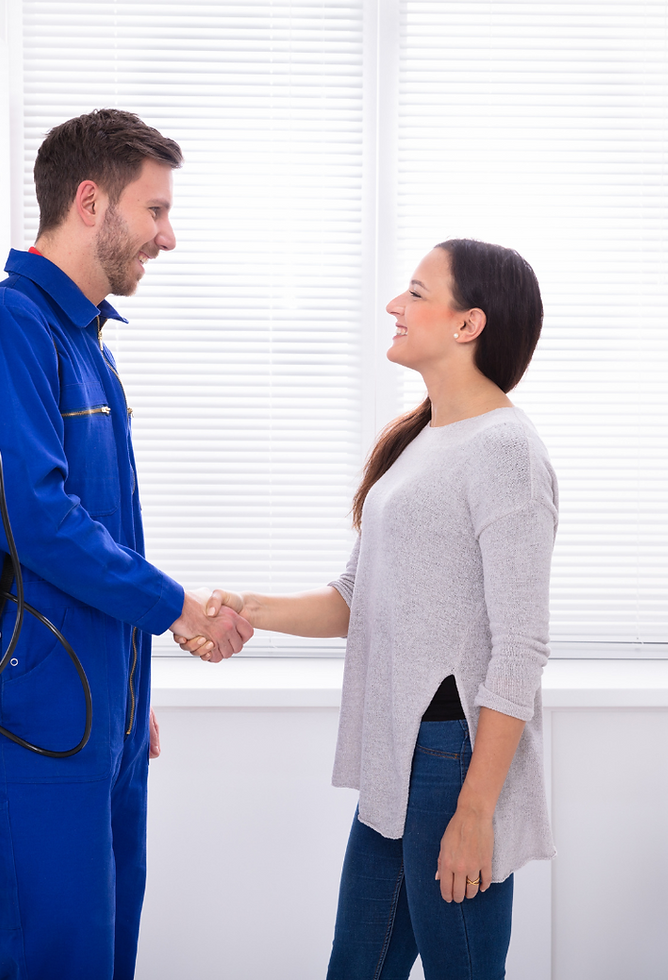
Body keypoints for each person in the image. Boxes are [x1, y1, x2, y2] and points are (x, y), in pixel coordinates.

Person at [0, 108, 252, 980]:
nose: (168, 236)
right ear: (89, 201)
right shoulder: (7, 329)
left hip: (99, 718)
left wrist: (132, 686)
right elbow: (38, 521)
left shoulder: (86, 343)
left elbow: (105, 531)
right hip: (34, 727)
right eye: (154, 210)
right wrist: (179, 606)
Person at [179, 239, 557, 979]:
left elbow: (521, 647)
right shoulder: (425, 440)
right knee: (355, 968)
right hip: (399, 759)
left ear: (467, 324)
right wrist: (242, 604)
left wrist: (476, 812)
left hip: (453, 760)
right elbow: (356, 599)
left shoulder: (507, 449)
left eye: (416, 292)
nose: (395, 305)